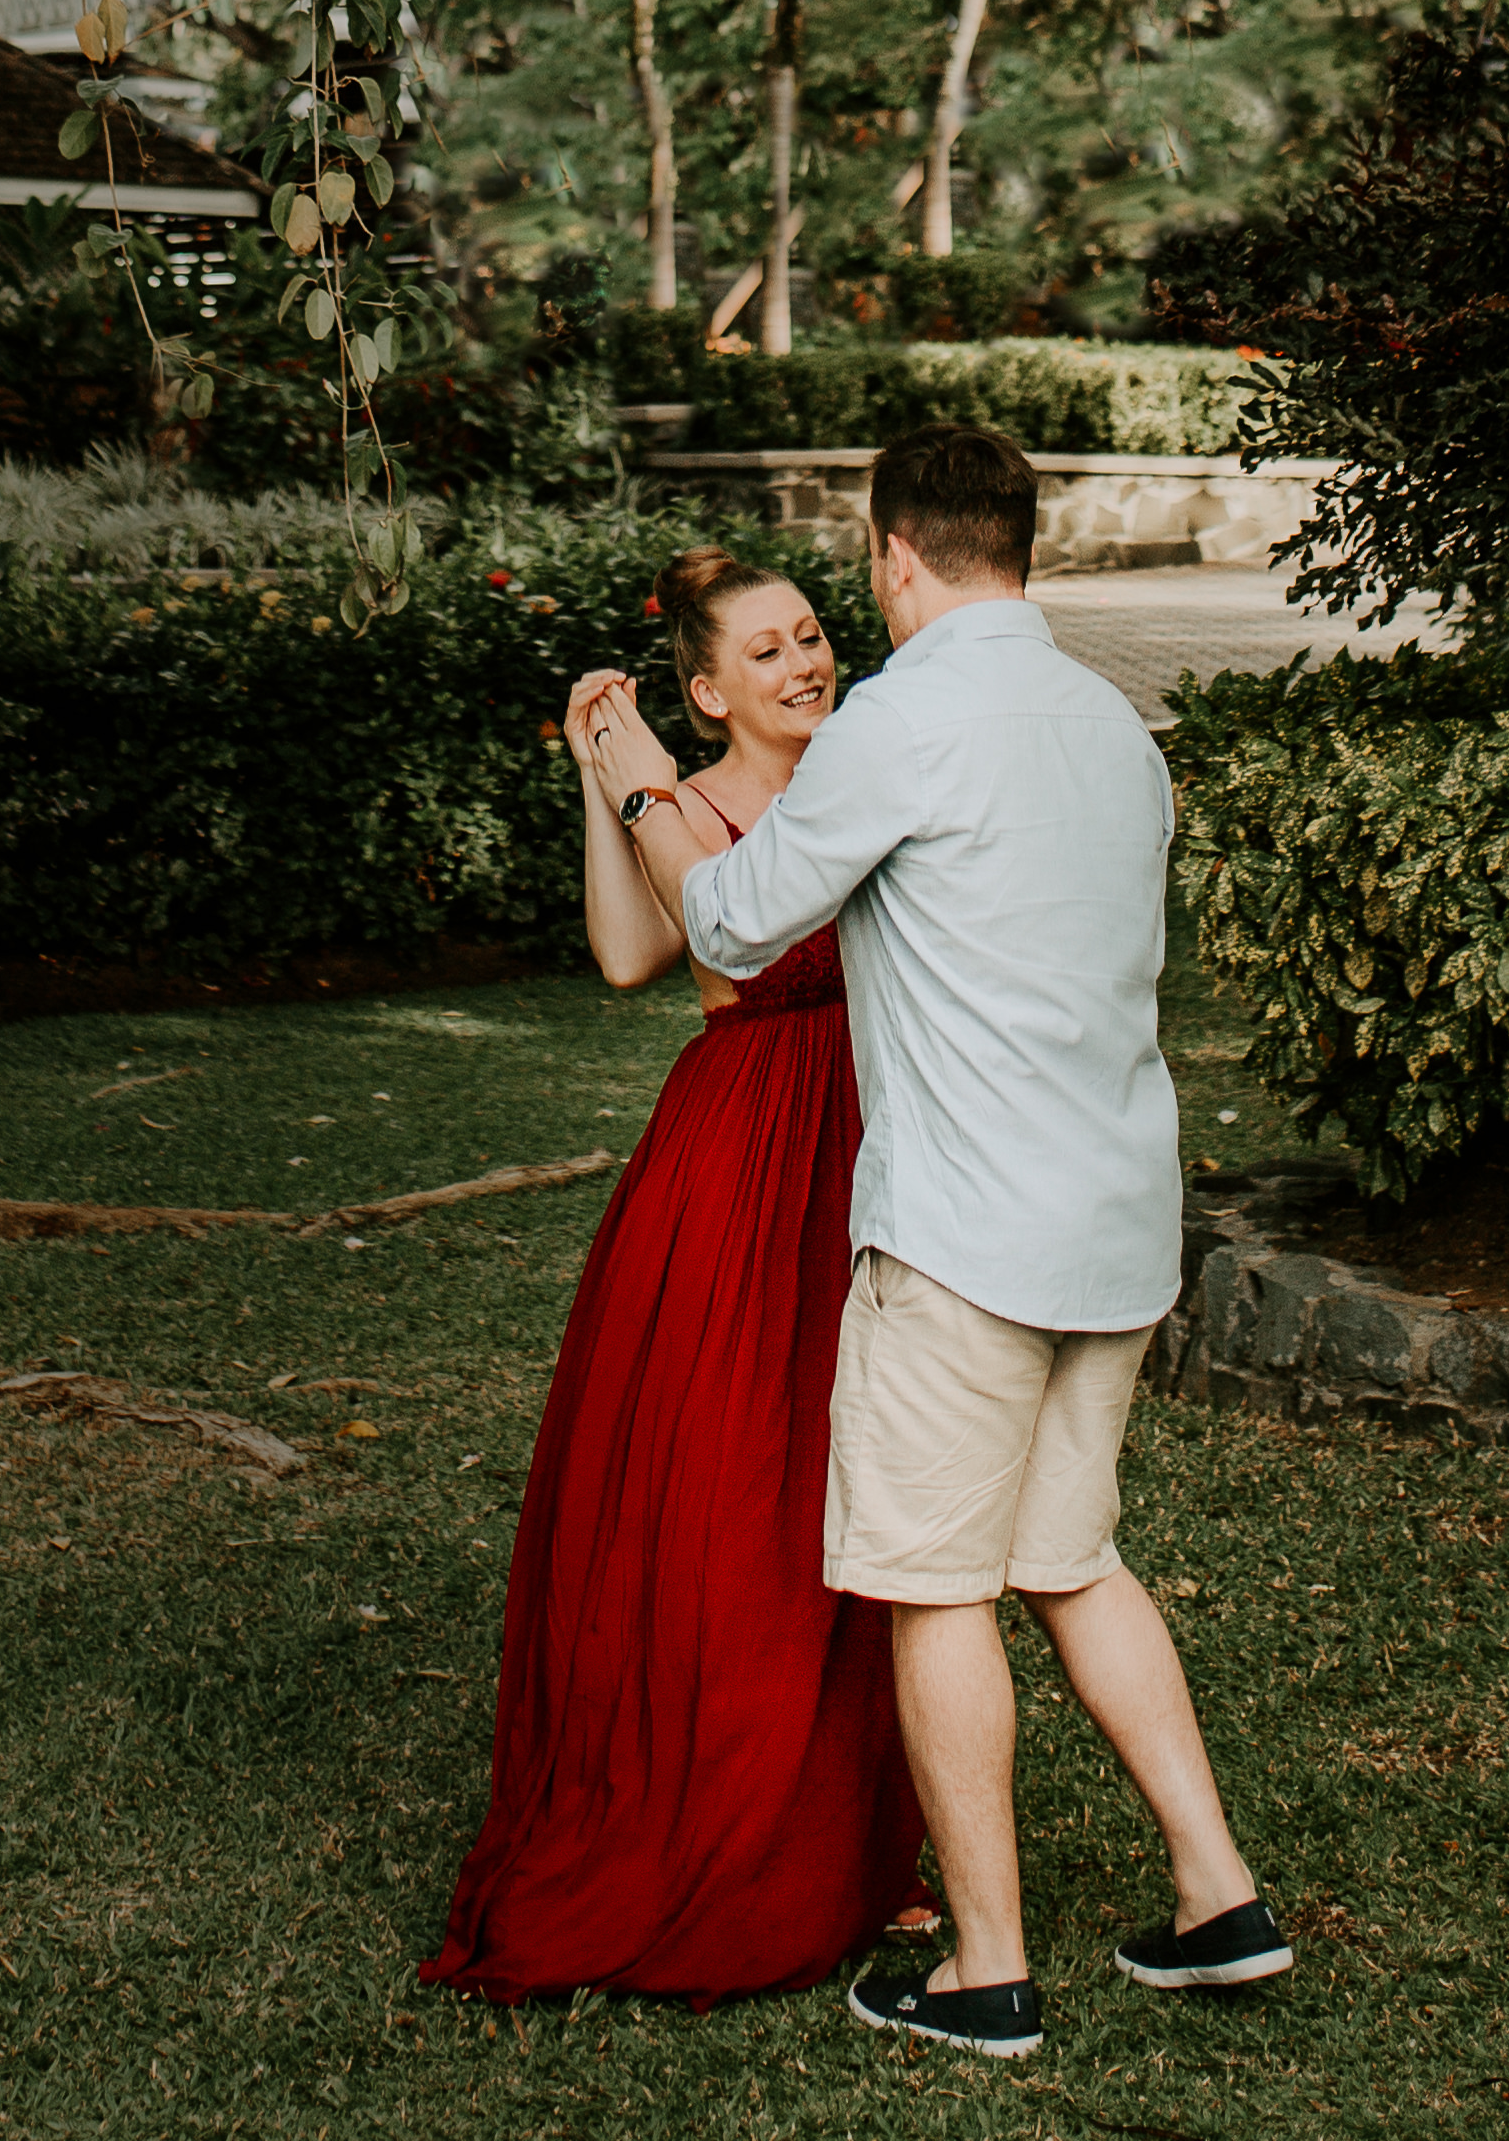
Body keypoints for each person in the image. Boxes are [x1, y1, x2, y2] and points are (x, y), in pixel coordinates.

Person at [585, 424, 1289, 2060]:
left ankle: (985, 1967)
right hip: (1117, 1222)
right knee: (1072, 1559)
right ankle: (1217, 1894)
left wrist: (631, 774)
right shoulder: (1116, 730)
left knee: (932, 1588)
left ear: (897, 556)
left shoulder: (903, 722)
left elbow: (736, 924)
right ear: (1019, 545)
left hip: (964, 1235)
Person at [420, 544, 926, 2006]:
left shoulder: (867, 770)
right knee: (730, 1482)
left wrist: (642, 777)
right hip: (746, 1148)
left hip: (874, 1133)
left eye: (812, 634)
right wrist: (604, 777)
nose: (804, 663)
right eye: (763, 654)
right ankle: (718, 1827)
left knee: (862, 1484)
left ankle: (852, 1845)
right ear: (706, 694)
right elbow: (639, 953)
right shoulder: (693, 808)